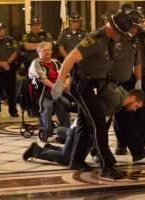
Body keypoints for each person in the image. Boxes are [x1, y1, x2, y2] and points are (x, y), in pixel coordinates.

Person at [51, 11, 134, 179]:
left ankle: (77, 160)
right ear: (112, 28)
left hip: (95, 85)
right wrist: (59, 82)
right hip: (83, 86)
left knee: (84, 122)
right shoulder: (95, 39)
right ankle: (106, 166)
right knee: (98, 124)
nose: (121, 38)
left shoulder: (110, 40)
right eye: (120, 34)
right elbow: (71, 58)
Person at [23, 88, 145, 169]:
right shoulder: (115, 97)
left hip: (87, 132)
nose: (134, 109)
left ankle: (51, 146)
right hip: (80, 129)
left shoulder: (119, 102)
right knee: (67, 159)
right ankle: (35, 150)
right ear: (132, 98)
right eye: (136, 106)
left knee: (75, 155)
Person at [113, 6, 145, 155]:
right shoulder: (119, 34)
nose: (133, 28)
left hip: (142, 78)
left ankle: (139, 145)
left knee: (140, 113)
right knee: (121, 111)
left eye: (135, 25)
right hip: (122, 78)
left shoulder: (144, 35)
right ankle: (121, 144)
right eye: (131, 25)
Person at [28, 42, 71, 142]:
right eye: (44, 50)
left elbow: (67, 74)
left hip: (57, 92)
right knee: (48, 107)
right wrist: (56, 86)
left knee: (65, 104)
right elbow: (43, 79)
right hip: (42, 93)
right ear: (39, 52)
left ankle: (64, 134)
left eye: (49, 50)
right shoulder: (36, 63)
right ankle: (47, 133)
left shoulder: (55, 62)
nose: (47, 52)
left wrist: (66, 84)